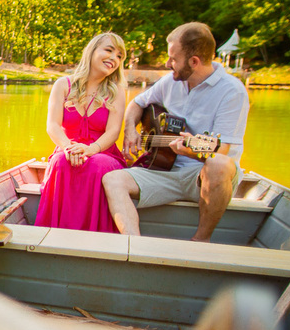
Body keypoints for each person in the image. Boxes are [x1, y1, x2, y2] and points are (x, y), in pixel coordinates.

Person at [102, 22, 249, 242]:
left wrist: (190, 151)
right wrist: (130, 129)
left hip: (203, 177)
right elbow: (137, 104)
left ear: (194, 61)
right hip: (165, 170)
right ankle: (134, 245)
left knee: (218, 164)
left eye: (173, 58)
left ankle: (200, 241)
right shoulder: (169, 82)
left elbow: (222, 150)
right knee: (113, 179)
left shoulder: (232, 91)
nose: (167, 63)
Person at [34, 32, 128, 233]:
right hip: (68, 148)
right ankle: (55, 235)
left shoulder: (117, 90)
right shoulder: (63, 85)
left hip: (103, 152)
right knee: (60, 162)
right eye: (109, 50)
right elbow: (53, 125)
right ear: (92, 51)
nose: (114, 58)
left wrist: (90, 149)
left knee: (98, 165)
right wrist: (69, 148)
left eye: (120, 56)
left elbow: (113, 131)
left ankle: (95, 236)